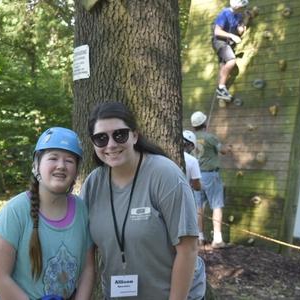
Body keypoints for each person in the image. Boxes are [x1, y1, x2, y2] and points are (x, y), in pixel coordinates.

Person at [80, 101, 206, 299]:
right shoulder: (93, 184)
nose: (111, 144)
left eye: (119, 134)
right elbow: (85, 253)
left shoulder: (164, 175)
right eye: (101, 138)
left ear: (135, 135)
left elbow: (188, 250)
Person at [0, 127, 94, 300]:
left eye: (69, 161)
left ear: (76, 171)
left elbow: (87, 270)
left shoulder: (82, 211)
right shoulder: (15, 211)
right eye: (53, 158)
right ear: (36, 165)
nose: (61, 165)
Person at [191, 111, 231, 249]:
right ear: (205, 124)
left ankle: (200, 238)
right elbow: (223, 151)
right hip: (211, 175)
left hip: (196, 176)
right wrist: (229, 148)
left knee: (198, 207)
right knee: (216, 205)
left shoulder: (191, 138)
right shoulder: (210, 137)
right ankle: (217, 239)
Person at [212, 0, 250, 102]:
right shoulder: (225, 13)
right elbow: (217, 31)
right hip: (220, 42)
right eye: (242, 7)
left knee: (224, 66)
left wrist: (246, 18)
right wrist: (231, 35)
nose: (243, 9)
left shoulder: (238, 16)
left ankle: (222, 91)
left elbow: (240, 31)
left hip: (228, 43)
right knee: (231, 61)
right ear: (237, 6)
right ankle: (220, 88)